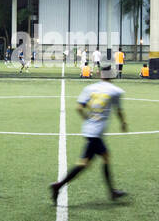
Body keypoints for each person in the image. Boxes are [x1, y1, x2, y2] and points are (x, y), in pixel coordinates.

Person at [50, 60, 127, 204]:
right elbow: (119, 111)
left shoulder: (90, 88)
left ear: (99, 73)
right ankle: (58, 186)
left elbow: (79, 108)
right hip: (96, 134)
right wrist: (123, 123)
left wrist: (88, 119)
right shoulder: (115, 91)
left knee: (101, 158)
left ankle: (112, 191)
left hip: (89, 130)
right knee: (84, 164)